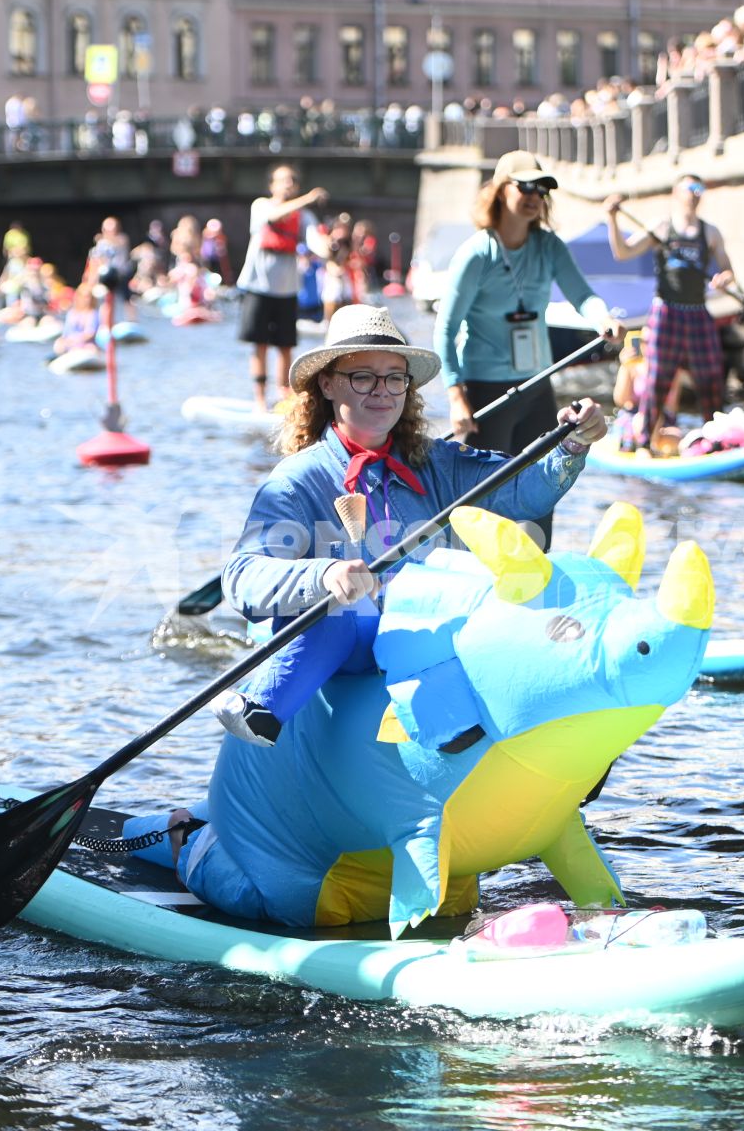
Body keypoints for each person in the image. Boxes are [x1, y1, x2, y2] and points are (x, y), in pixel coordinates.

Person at [210, 303, 607, 748]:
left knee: (498, 608)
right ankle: (263, 708)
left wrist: (571, 444)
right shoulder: (295, 481)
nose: (382, 391)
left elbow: (526, 492)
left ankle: (557, 731)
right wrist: (322, 575)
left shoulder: (438, 462)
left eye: (394, 377)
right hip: (346, 644)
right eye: (363, 376)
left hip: (423, 633)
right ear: (327, 383)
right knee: (337, 617)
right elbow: (241, 576)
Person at [434, 151, 621, 542]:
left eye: (543, 188)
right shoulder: (476, 254)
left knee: (541, 492)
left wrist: (602, 318)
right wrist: (456, 397)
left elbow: (582, 295)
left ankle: (537, 573)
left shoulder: (548, 247)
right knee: (485, 500)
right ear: (501, 191)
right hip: (487, 390)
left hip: (537, 386)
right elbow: (445, 329)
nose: (535, 195)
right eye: (526, 186)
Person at [601, 174, 737, 452]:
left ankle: (718, 437)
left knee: (711, 376)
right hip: (666, 311)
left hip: (698, 312)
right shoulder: (662, 227)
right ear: (676, 192)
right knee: (658, 378)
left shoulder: (710, 232)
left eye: (700, 188)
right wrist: (612, 219)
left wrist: (724, 278)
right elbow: (623, 252)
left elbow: (727, 271)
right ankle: (643, 442)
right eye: (691, 188)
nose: (696, 194)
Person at [235, 163, 331, 409]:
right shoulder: (261, 205)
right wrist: (308, 198)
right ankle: (259, 399)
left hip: (287, 290)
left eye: (291, 181)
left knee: (286, 346)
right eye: (282, 180)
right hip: (258, 287)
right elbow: (274, 217)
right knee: (260, 344)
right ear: (272, 186)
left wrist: (328, 249)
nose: (287, 185)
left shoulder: (305, 217)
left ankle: (284, 397)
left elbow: (316, 243)